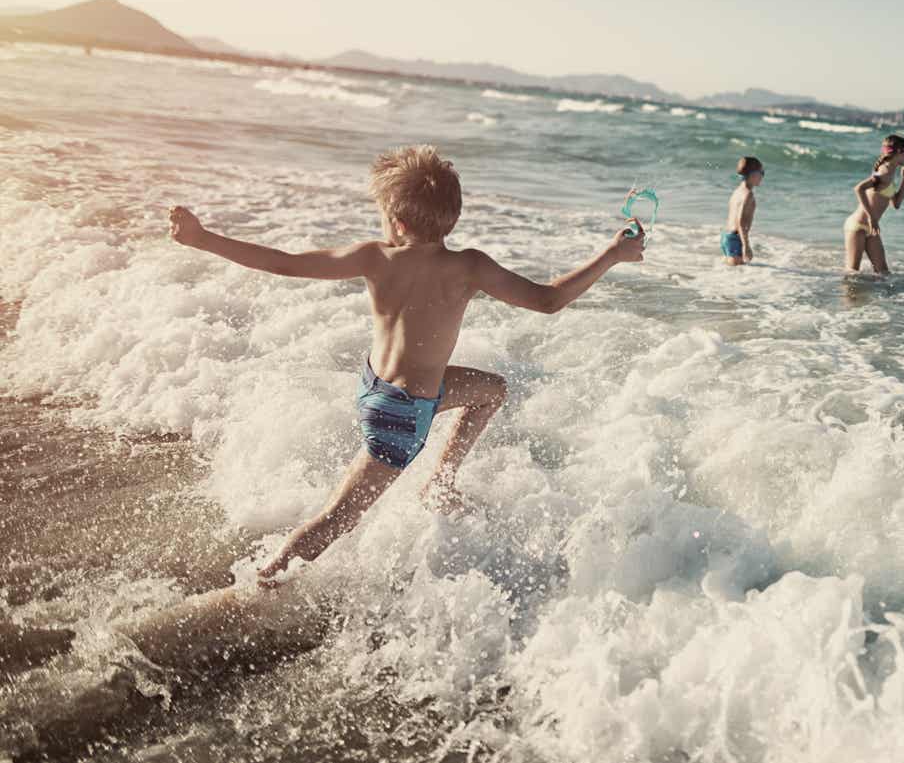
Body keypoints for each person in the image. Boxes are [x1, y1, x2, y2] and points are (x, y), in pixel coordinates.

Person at [167, 144, 645, 585]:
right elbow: (549, 300)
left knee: (491, 390)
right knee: (339, 518)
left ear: (395, 221)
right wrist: (614, 253)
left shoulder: (375, 257)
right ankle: (264, 581)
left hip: (379, 388)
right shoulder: (470, 266)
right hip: (404, 413)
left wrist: (202, 238)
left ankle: (439, 482)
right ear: (451, 219)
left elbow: (284, 264)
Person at [843, 134, 904, 274]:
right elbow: (859, 188)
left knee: (883, 273)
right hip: (858, 226)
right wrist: (872, 218)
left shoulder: (892, 172)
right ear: (899, 152)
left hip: (872, 229)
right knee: (852, 273)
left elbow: (896, 204)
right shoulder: (884, 172)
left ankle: (875, 297)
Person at [722, 156, 764, 265]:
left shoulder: (737, 191)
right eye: (762, 172)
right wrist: (746, 245)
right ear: (753, 174)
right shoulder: (748, 194)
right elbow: (740, 221)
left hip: (726, 236)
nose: (762, 177)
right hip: (736, 238)